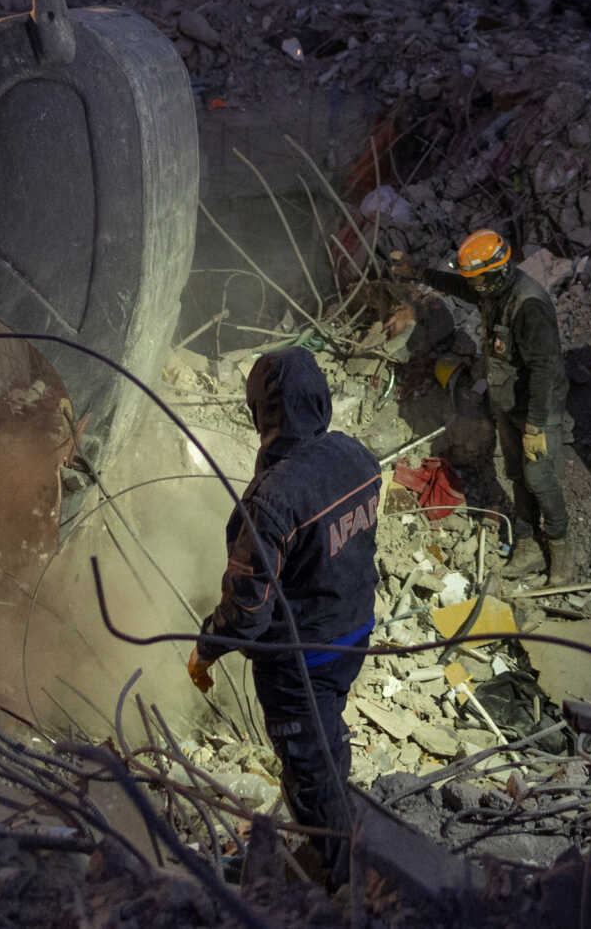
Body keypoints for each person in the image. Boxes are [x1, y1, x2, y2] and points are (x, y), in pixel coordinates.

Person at [187, 348, 381, 883]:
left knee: (310, 776)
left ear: (261, 413)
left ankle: (343, 885)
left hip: (301, 662)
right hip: (353, 632)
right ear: (318, 401)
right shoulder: (355, 456)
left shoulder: (270, 502)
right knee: (326, 736)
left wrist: (206, 648)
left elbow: (248, 611)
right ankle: (338, 811)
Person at [424, 230, 578, 584]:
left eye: (477, 278)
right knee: (516, 475)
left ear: (495, 272)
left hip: (537, 409)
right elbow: (462, 288)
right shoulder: (492, 290)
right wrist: (420, 274)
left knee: (539, 478)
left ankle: (561, 549)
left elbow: (545, 368)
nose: (473, 285)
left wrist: (537, 426)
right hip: (508, 402)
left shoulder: (529, 305)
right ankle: (528, 546)